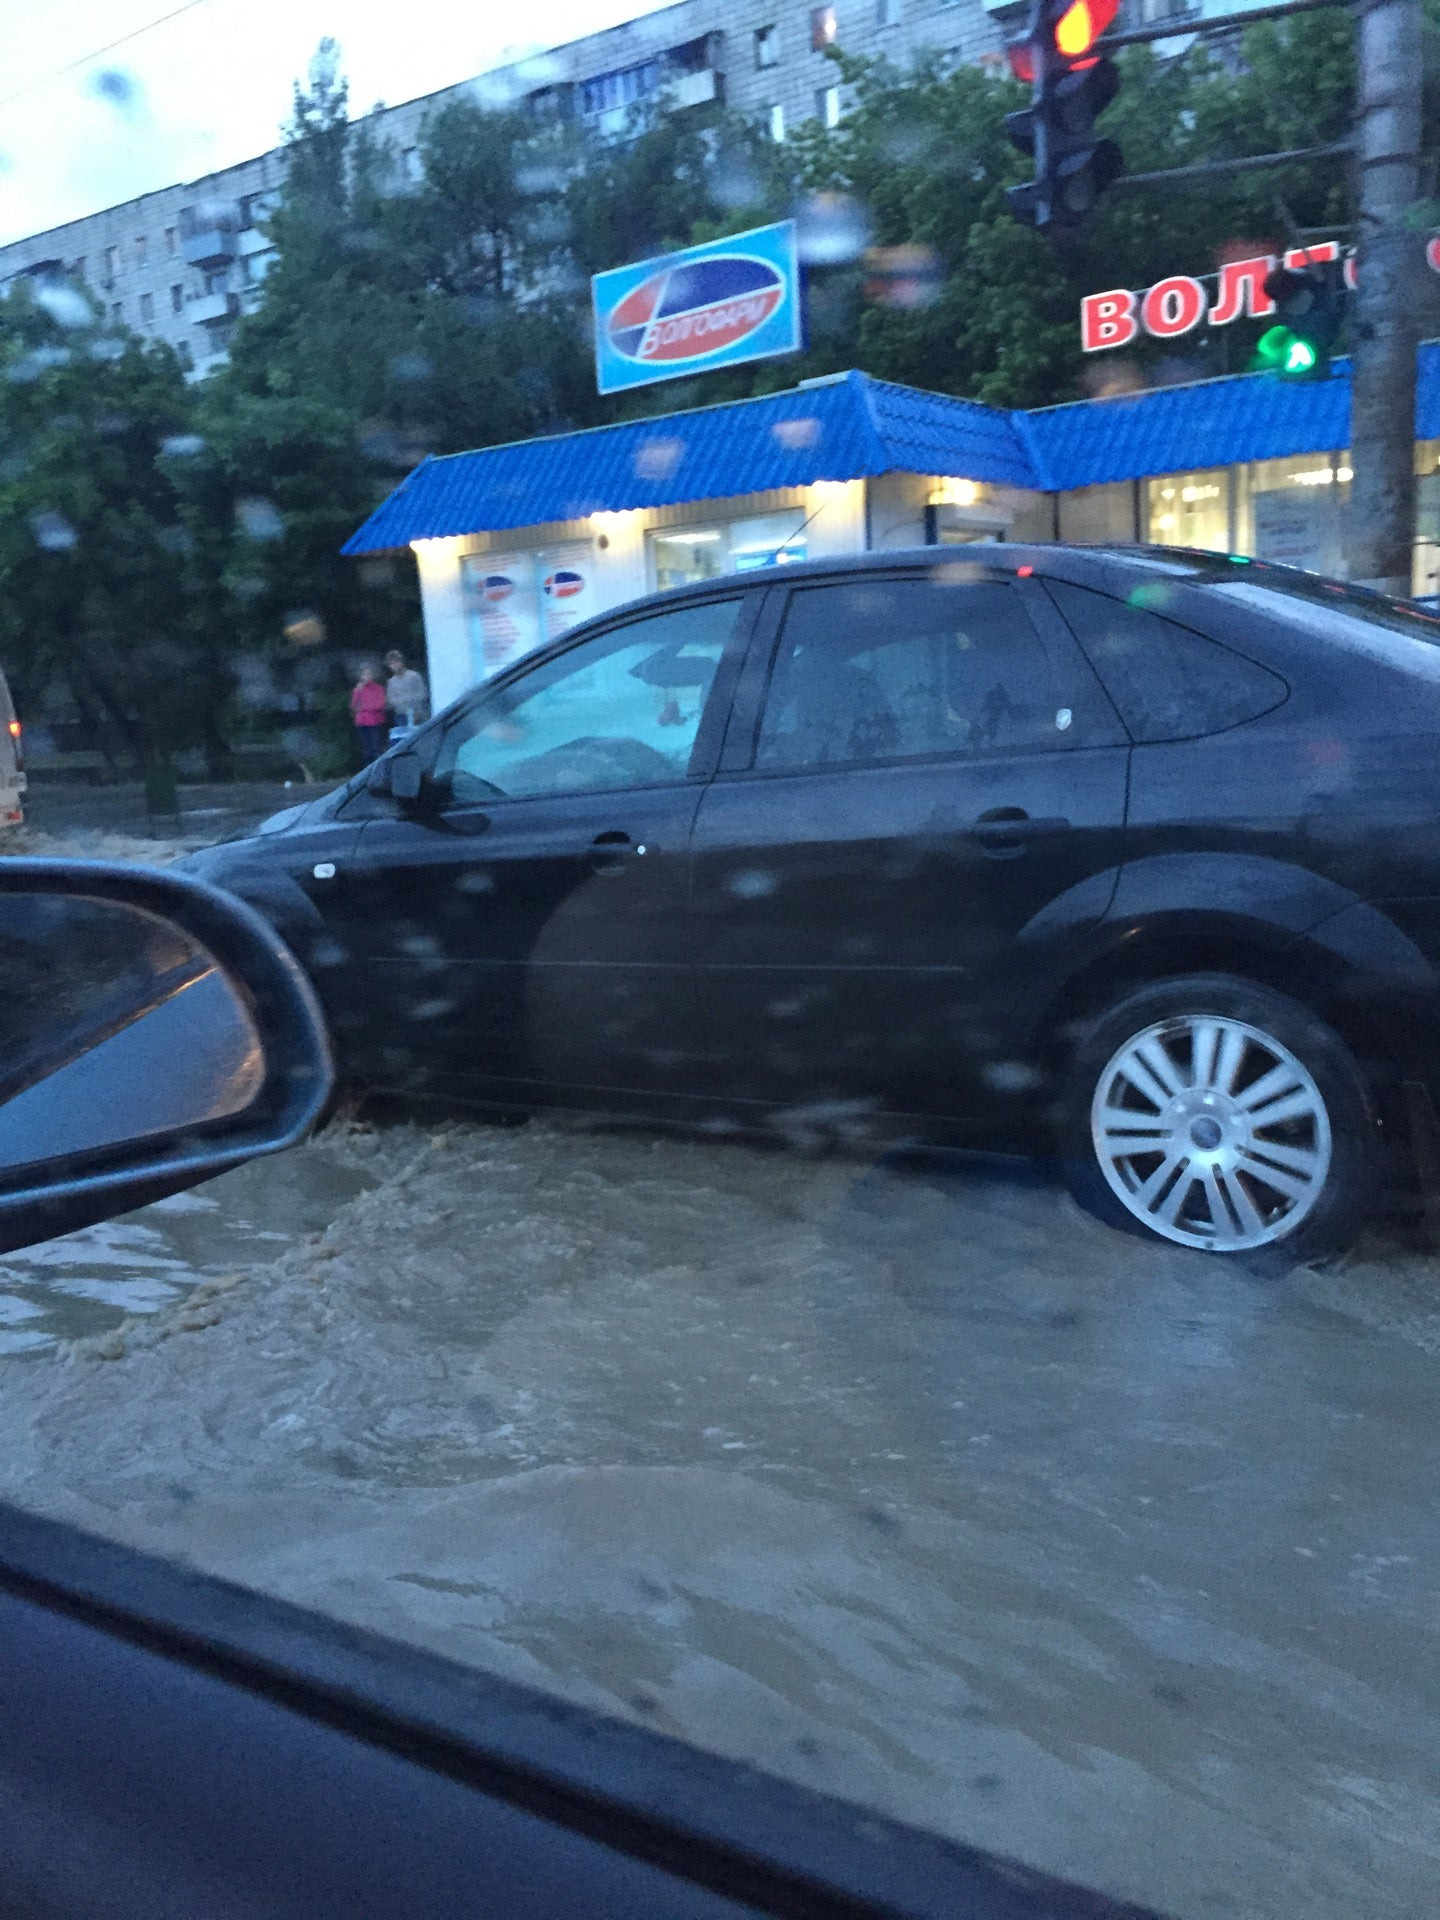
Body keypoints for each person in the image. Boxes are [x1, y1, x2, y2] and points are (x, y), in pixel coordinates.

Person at [384, 650, 430, 737]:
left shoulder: (414, 676)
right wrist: (401, 702)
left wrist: (409, 700)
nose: (395, 666)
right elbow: (390, 700)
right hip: (401, 716)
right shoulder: (391, 682)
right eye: (391, 664)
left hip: (417, 715)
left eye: (396, 662)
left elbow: (423, 693)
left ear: (401, 662)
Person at [349, 663, 388, 764]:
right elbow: (353, 705)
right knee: (367, 749)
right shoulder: (358, 689)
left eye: (369, 674)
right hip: (362, 722)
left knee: (376, 748)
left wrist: (364, 708)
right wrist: (358, 691)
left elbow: (380, 704)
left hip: (375, 722)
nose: (367, 677)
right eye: (364, 675)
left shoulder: (378, 688)